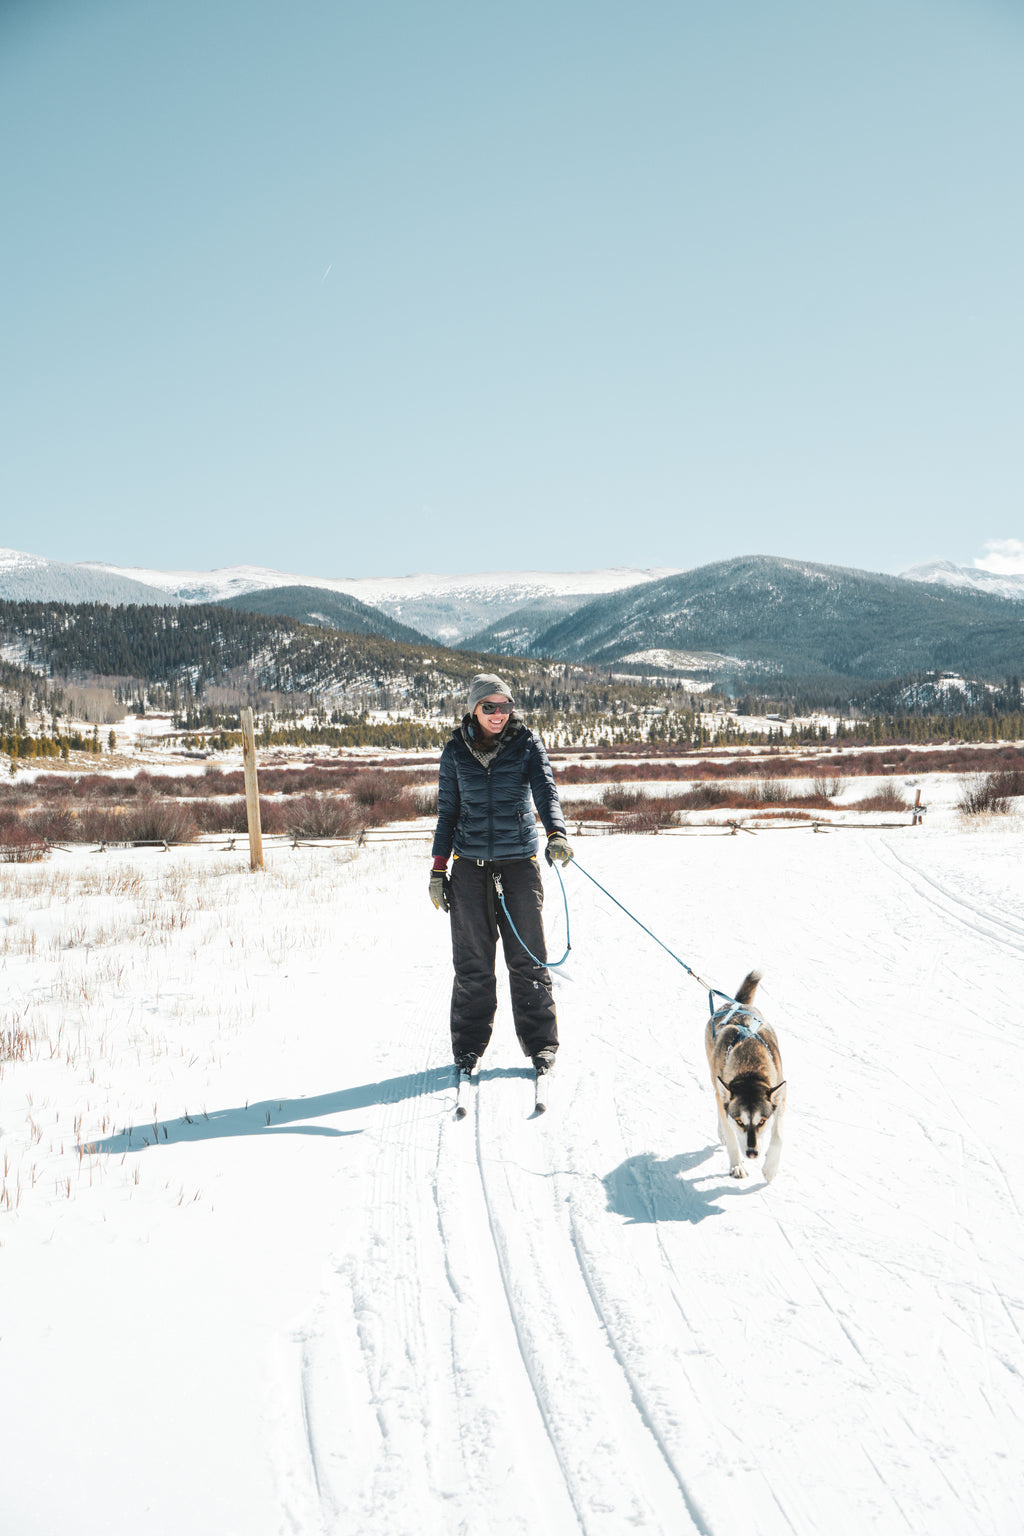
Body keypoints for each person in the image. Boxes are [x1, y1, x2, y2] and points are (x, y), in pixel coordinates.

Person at [429, 673, 573, 1077]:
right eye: (489, 706)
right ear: (474, 709)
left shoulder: (526, 744)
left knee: (529, 960)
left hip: (519, 867)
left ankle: (542, 1045)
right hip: (469, 869)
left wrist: (556, 832)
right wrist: (439, 870)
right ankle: (468, 1049)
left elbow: (545, 790)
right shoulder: (456, 751)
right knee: (472, 964)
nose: (498, 714)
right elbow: (447, 813)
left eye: (504, 705)